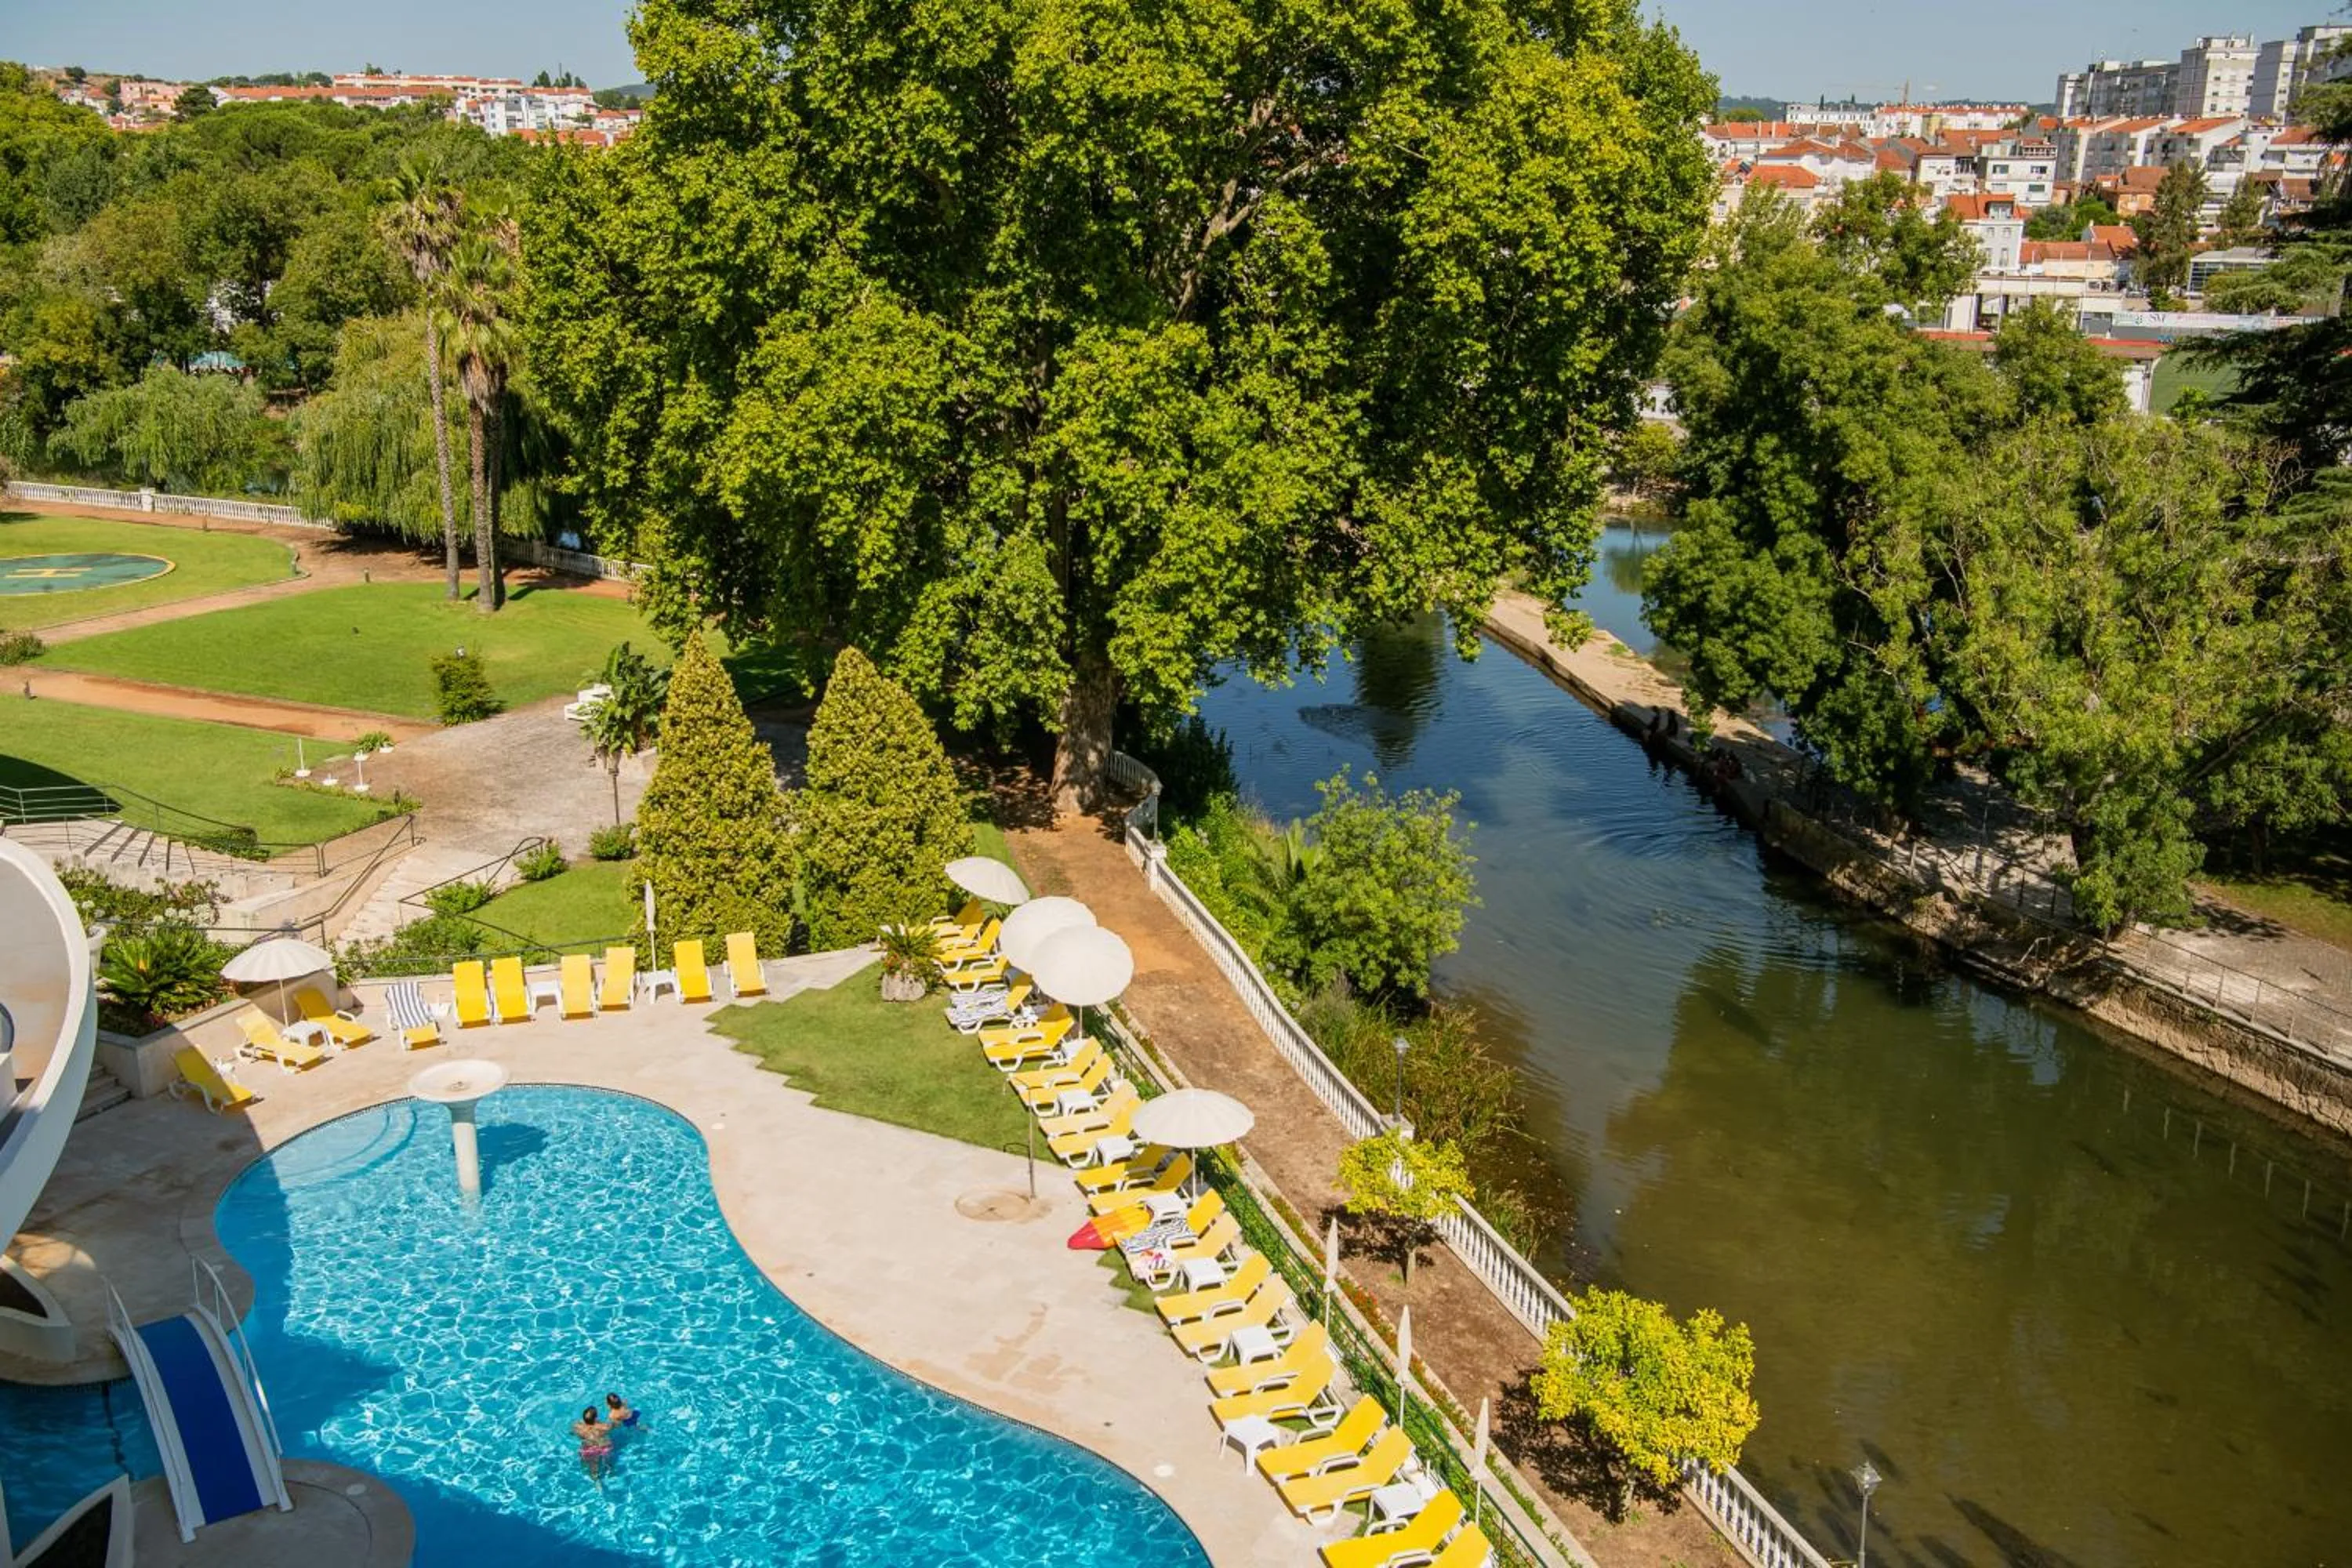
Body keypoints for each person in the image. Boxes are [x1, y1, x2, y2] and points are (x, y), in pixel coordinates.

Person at [573, 1406, 614, 1481]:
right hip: (602, 1448)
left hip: (587, 1450)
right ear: (595, 1418)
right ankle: (609, 1470)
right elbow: (612, 1426)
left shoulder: (577, 1426)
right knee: (607, 1462)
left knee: (592, 1468)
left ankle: (596, 1481)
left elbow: (573, 1433)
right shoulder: (603, 1427)